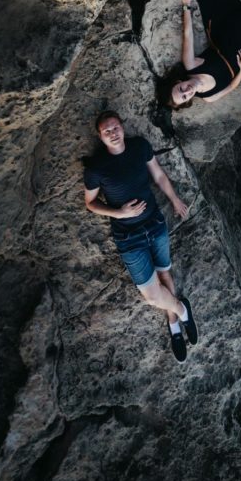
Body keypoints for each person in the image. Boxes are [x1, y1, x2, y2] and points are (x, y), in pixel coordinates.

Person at [83, 110, 198, 363]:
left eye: (115, 127)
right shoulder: (95, 168)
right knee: (152, 295)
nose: (113, 133)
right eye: (107, 131)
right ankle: (182, 309)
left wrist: (175, 200)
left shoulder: (139, 147)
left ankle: (175, 327)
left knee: (165, 273)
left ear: (122, 127)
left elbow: (157, 175)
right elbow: (90, 203)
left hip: (155, 224)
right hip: (128, 237)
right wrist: (119, 213)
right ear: (100, 136)